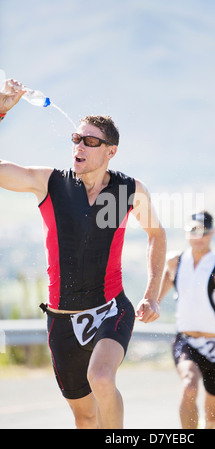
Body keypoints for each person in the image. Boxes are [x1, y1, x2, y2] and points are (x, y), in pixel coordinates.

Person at [0, 79, 167, 429]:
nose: (79, 145)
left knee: (102, 377)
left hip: (110, 309)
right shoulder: (50, 183)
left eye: (90, 141)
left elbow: (156, 234)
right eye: (76, 139)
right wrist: (2, 108)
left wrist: (151, 295)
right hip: (61, 320)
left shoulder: (129, 190)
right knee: (86, 417)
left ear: (111, 151)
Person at [158, 211, 215, 429]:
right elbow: (157, 294)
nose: (198, 236)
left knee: (212, 415)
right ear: (186, 232)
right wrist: (149, 303)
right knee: (189, 386)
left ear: (212, 233)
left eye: (204, 231)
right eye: (193, 230)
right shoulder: (175, 261)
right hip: (186, 340)